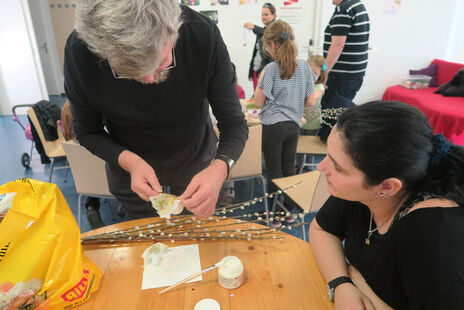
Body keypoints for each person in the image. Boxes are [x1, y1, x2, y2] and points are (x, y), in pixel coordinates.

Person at [64, 0, 248, 220]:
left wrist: (220, 169)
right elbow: (87, 131)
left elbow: (234, 124)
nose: (150, 79)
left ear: (174, 31)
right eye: (129, 70)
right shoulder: (81, 52)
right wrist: (131, 162)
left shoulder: (201, 35)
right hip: (131, 177)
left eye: (162, 62)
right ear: (103, 52)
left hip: (196, 164)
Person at [309, 101, 464, 309]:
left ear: (388, 186)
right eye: (328, 154)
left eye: (337, 167)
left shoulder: (431, 233)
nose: (321, 167)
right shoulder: (365, 190)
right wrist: (342, 283)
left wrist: (360, 281)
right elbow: (322, 229)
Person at [254, 20, 316, 228]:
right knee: (288, 170)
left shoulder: (271, 70)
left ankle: (272, 215)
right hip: (293, 126)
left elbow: (258, 102)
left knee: (274, 172)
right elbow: (310, 101)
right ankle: (287, 213)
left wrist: (262, 80)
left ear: (272, 45)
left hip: (273, 127)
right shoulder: (304, 67)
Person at [61, 100, 105, 229]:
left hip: (87, 183)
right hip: (113, 184)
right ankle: (122, 206)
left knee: (91, 170)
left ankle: (92, 206)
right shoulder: (101, 141)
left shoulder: (67, 112)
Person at [321, 0, 370, 106]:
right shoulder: (358, 5)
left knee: (331, 113)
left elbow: (337, 45)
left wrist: (324, 72)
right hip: (353, 74)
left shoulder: (343, 9)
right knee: (341, 110)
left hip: (340, 75)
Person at [244, 2, 276, 90]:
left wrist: (254, 27)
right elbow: (256, 51)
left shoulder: (275, 31)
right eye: (262, 14)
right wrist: (251, 69)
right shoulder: (261, 31)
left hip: (264, 71)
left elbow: (269, 34)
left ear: (274, 16)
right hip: (256, 70)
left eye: (266, 14)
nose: (263, 17)